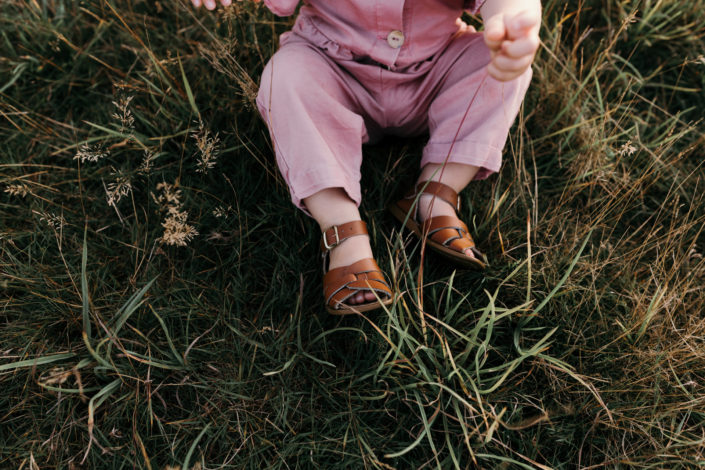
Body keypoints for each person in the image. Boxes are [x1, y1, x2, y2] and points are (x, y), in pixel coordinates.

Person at [190, 0, 541, 314]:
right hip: (333, 69)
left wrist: (512, 25)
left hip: (434, 72)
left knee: (495, 65)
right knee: (285, 77)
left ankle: (437, 191)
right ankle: (342, 228)